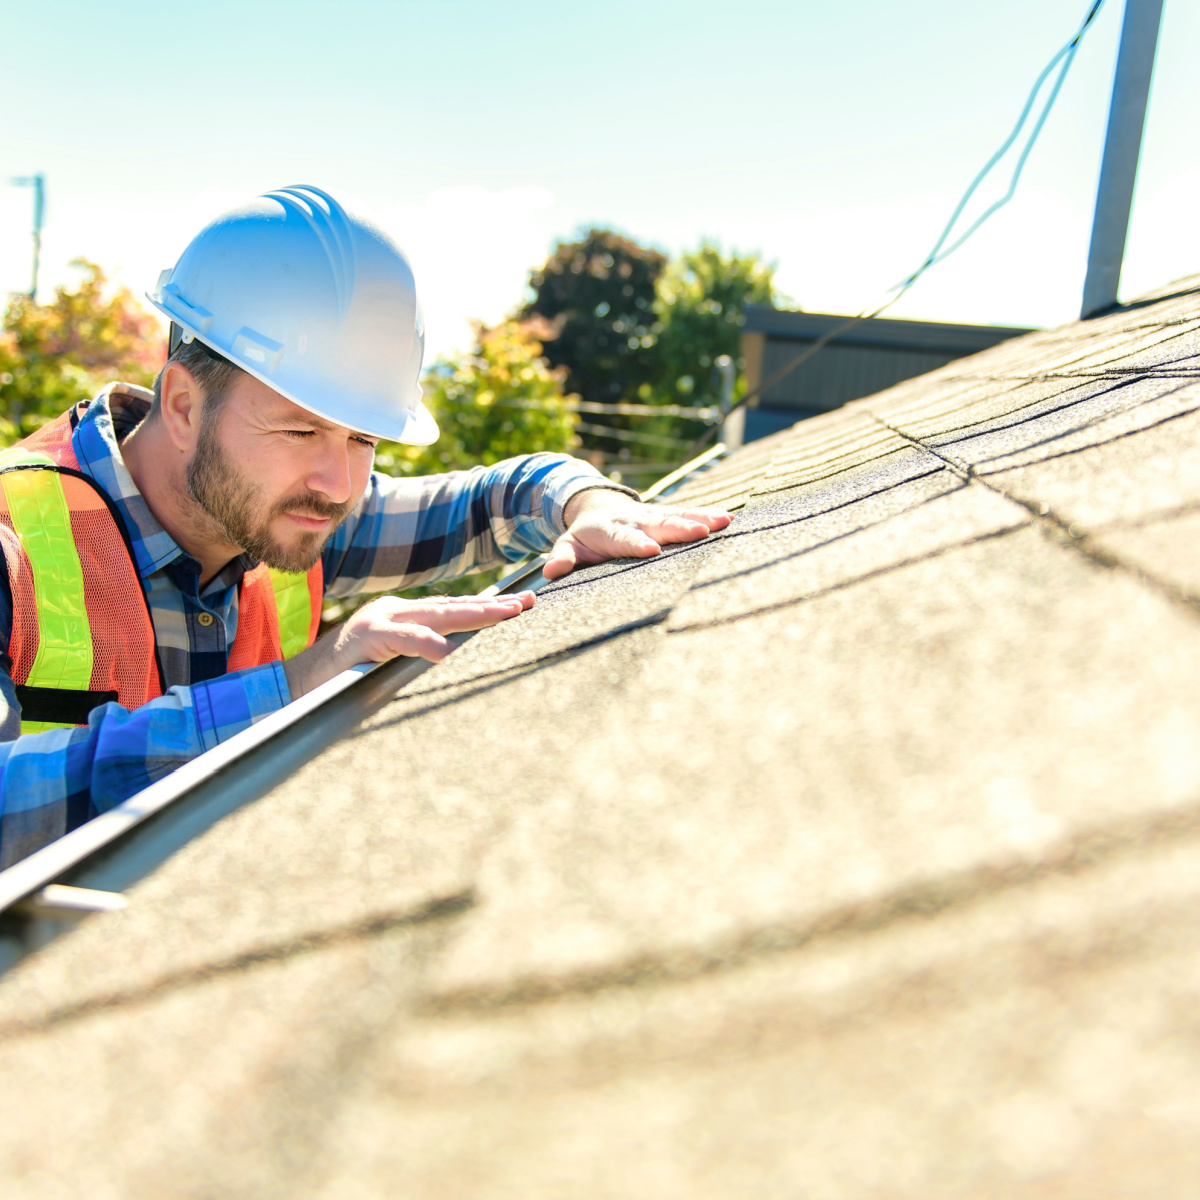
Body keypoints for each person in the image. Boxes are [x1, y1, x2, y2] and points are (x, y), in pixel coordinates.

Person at [0, 186, 729, 868]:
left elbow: (496, 497)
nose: (340, 486)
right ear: (186, 406)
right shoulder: (13, 541)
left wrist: (589, 504)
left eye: (363, 440)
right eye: (300, 430)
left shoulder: (293, 514)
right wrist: (300, 685)